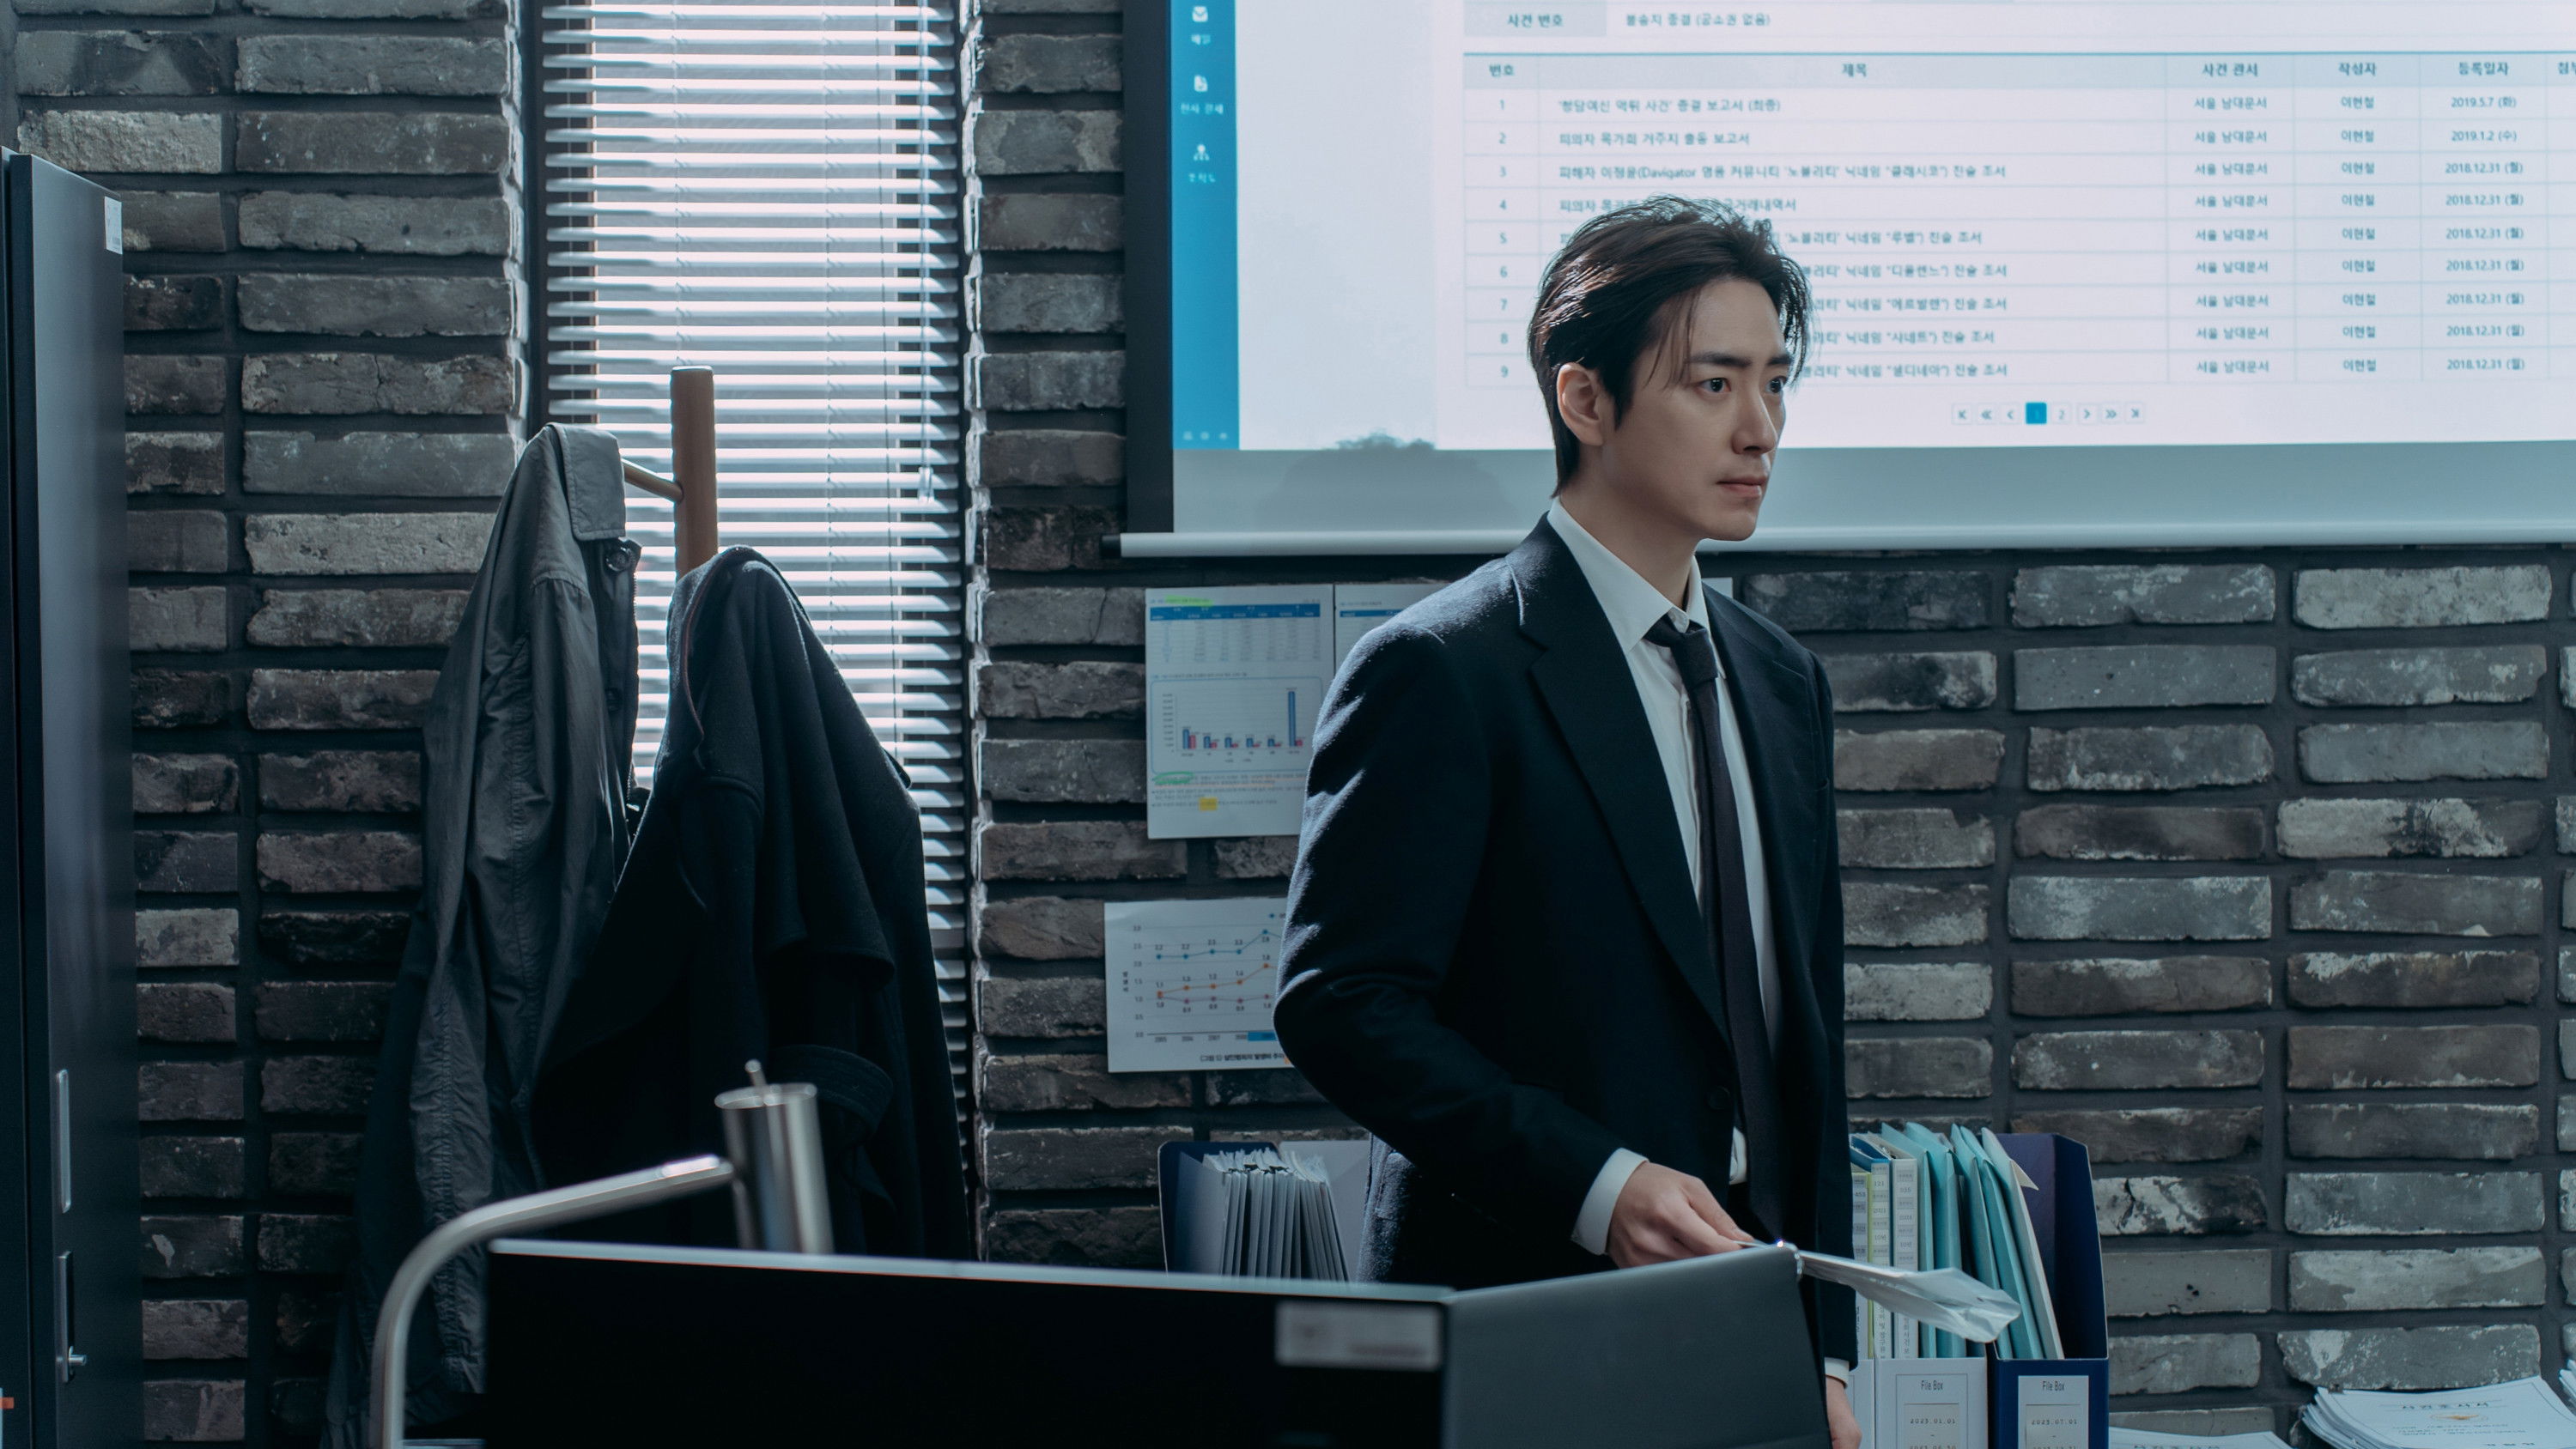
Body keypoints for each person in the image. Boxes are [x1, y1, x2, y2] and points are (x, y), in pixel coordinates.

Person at [1272, 195, 1859, 1449]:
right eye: (1713, 384)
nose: (1761, 428)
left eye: (1775, 383)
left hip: (1748, 1331)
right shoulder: (1443, 669)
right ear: (1585, 401)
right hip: (1518, 1326)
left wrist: (1822, 1350)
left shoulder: (1779, 680)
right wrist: (1603, 1186)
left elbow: (1804, 1039)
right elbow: (1343, 1006)